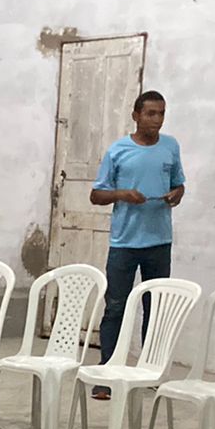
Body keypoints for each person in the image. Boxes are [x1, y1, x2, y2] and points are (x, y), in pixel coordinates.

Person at [88, 90, 187, 399]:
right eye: (150, 113)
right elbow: (96, 195)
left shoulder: (170, 147)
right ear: (136, 115)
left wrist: (177, 194)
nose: (157, 120)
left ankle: (150, 372)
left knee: (155, 309)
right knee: (116, 307)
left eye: (161, 113)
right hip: (125, 243)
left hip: (159, 242)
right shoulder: (118, 150)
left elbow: (179, 184)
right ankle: (107, 374)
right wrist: (122, 194)